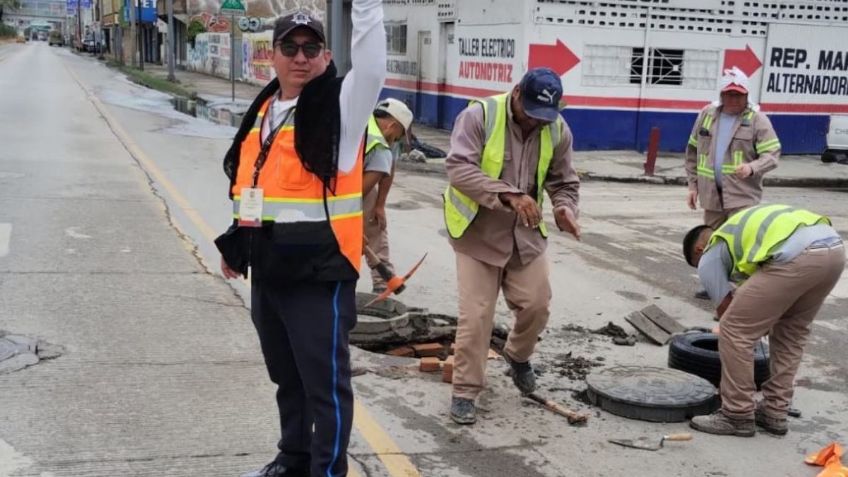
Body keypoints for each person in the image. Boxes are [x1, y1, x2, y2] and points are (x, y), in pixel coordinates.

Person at [214, 4, 386, 477]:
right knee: (286, 378)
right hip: (269, 271)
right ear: (274, 55)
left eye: (311, 48)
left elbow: (370, 67)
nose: (301, 57)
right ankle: (293, 460)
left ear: (327, 57)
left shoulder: (340, 112)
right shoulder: (265, 109)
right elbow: (258, 184)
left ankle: (327, 472)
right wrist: (238, 242)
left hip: (319, 275)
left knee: (324, 386)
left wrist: (368, 8)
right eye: (290, 47)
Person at [443, 67, 581, 425]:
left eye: (544, 117)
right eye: (531, 113)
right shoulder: (479, 116)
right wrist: (509, 195)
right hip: (477, 233)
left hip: (525, 236)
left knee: (537, 304)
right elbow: (459, 169)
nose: (536, 122)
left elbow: (564, 180)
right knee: (476, 316)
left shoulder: (557, 128)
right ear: (517, 93)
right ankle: (465, 391)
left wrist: (565, 207)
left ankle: (518, 357)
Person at [682, 204, 844, 437]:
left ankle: (736, 414)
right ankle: (774, 412)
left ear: (699, 249)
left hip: (796, 255)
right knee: (791, 333)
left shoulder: (710, 254)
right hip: (833, 250)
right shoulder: (737, 232)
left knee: (734, 330)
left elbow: (729, 312)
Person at [685, 67, 781, 230]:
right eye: (729, 94)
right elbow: (692, 152)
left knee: (739, 244)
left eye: (739, 95)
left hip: (741, 197)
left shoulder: (757, 119)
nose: (734, 99)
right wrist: (693, 187)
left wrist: (752, 168)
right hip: (711, 198)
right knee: (712, 243)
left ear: (747, 96)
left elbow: (772, 155)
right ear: (721, 95)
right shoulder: (707, 115)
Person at [362, 98, 413, 292]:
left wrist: (380, 205)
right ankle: (382, 282)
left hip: (342, 181)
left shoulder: (363, 120)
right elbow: (354, 194)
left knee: (375, 222)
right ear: (391, 125)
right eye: (398, 136)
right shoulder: (380, 147)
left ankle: (384, 281)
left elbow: (389, 166)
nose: (397, 142)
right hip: (343, 187)